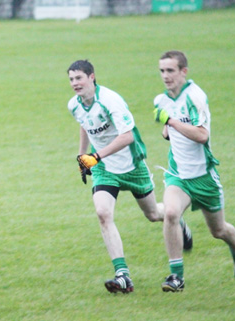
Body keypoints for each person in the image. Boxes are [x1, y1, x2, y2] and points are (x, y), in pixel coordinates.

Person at [67, 60, 193, 294]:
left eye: (79, 78)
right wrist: (82, 155)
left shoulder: (110, 101)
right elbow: (84, 123)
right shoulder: (74, 105)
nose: (75, 83)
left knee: (154, 214)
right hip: (105, 168)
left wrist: (94, 155)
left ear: (92, 77)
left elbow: (127, 137)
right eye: (71, 79)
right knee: (103, 213)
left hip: (132, 165)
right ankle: (122, 275)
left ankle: (176, 221)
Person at [154, 50, 235, 292]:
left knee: (219, 231)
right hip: (178, 175)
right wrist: (167, 126)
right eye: (162, 71)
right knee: (172, 213)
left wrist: (172, 121)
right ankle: (176, 277)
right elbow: (167, 133)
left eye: (171, 71)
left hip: (204, 178)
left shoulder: (196, 97)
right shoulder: (161, 100)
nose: (166, 76)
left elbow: (202, 135)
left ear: (183, 71)